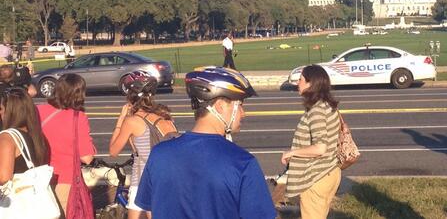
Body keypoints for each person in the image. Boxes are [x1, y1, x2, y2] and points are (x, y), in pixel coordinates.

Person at [135, 67, 275, 219]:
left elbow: (150, 210)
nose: (243, 113)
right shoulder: (242, 163)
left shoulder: (158, 154)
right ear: (220, 106)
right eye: (240, 104)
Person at [109, 71, 177, 219]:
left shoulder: (133, 121)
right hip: (166, 176)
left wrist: (121, 119)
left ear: (130, 96)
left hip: (143, 179)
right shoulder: (165, 116)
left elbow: (113, 151)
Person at [282, 64, 341, 219]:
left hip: (317, 178)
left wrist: (292, 152)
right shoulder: (327, 105)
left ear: (310, 84)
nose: (297, 83)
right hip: (330, 172)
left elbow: (320, 147)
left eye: (300, 79)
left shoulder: (317, 110)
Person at [37, 74, 96, 218]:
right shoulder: (78, 117)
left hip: (39, 177)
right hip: (65, 179)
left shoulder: (38, 110)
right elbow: (86, 157)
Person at [0, 87, 48, 185]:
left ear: (10, 111)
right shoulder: (36, 135)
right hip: (32, 194)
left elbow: (3, 178)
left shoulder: (8, 137)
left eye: (1, 108)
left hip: (15, 197)